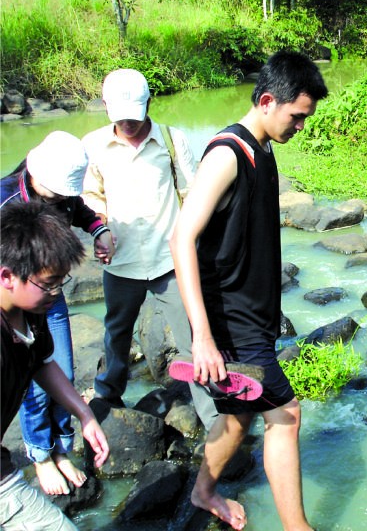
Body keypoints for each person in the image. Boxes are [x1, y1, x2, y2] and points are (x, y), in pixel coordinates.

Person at [169, 50, 328, 530]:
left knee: (239, 414)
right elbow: (181, 237)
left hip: (252, 311)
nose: (301, 126)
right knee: (286, 413)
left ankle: (202, 491)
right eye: (297, 116)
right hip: (228, 318)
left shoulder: (264, 147)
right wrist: (201, 336)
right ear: (266, 101)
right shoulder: (227, 154)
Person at [80, 69, 218, 430]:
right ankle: (107, 397)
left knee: (191, 340)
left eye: (133, 115)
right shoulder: (93, 146)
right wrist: (100, 230)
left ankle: (212, 415)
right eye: (119, 115)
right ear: (106, 106)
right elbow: (91, 198)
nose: (127, 123)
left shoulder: (172, 140)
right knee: (116, 334)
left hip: (169, 262)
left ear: (150, 104)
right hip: (121, 264)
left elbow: (196, 190)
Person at [0, 131, 115, 496]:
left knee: (59, 367)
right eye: (55, 195)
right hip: (18, 298)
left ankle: (62, 446)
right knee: (28, 385)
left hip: (42, 295)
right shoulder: (6, 198)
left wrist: (100, 229)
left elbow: (82, 211)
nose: (61, 200)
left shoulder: (65, 198)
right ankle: (40, 455)